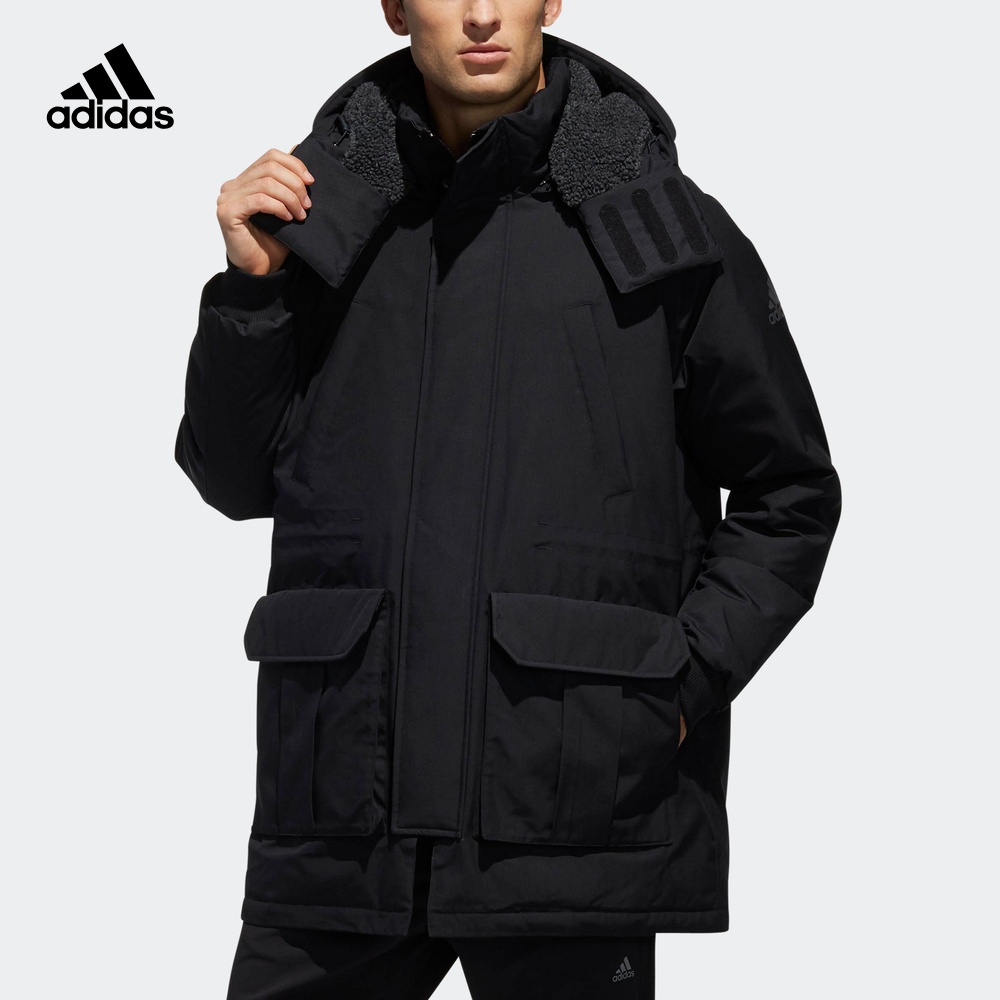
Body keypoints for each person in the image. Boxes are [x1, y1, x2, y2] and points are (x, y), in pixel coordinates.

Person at [174, 1, 842, 997]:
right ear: (395, 7)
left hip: (569, 816)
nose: (481, 14)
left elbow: (789, 490)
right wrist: (253, 289)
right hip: (344, 826)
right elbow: (232, 480)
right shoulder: (320, 222)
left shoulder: (656, 221)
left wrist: (680, 685)